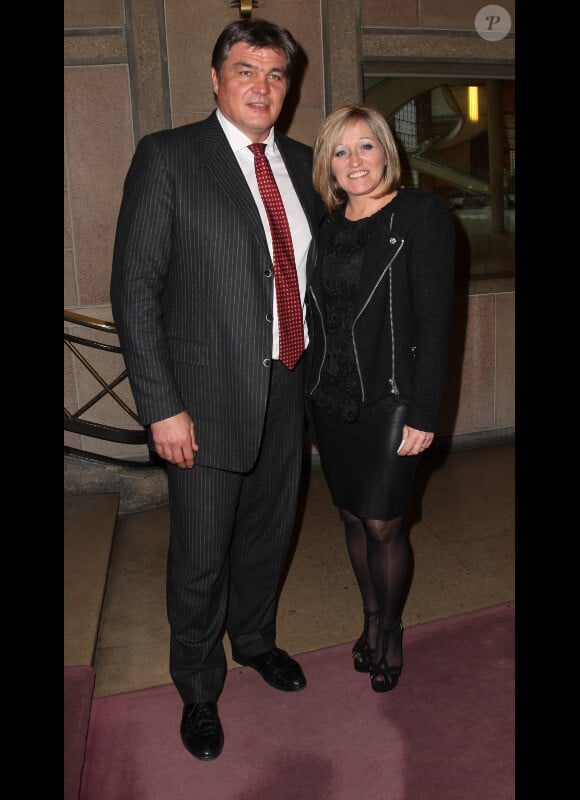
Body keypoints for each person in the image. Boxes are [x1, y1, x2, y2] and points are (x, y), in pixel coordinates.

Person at [110, 18, 322, 761]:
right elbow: (135, 288)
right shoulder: (168, 157)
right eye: (245, 70)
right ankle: (199, 687)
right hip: (198, 400)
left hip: (288, 386)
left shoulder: (302, 163)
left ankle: (256, 640)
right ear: (215, 78)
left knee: (269, 535)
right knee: (200, 553)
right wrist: (160, 403)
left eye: (275, 74)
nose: (261, 86)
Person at [305, 103, 455, 694]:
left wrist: (424, 412)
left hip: (393, 398)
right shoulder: (328, 224)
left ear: (386, 151)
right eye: (340, 151)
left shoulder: (421, 213)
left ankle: (390, 632)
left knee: (383, 522)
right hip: (333, 398)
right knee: (349, 515)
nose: (354, 161)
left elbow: (438, 320)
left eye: (365, 146)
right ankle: (368, 619)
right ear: (329, 165)